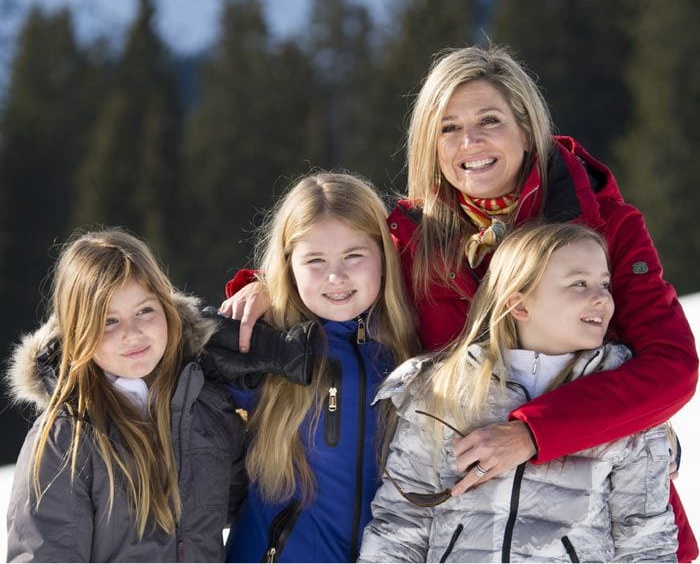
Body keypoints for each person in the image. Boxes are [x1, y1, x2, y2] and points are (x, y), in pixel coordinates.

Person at [223, 45, 698, 560]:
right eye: (448, 127)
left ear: (525, 126)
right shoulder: (412, 238)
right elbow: (340, 263)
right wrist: (269, 284)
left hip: (596, 525)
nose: (469, 142)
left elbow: (672, 367)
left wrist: (536, 432)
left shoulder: (605, 227)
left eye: (488, 120)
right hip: (465, 531)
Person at [359, 222, 678, 562]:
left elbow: (644, 536)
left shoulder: (624, 402)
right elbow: (402, 520)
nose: (601, 297)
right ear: (520, 306)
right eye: (579, 284)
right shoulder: (445, 391)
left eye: (604, 284)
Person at [6, 229, 256, 562]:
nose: (132, 333)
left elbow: (263, 499)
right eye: (109, 321)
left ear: (167, 308)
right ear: (80, 332)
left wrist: (263, 292)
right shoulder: (65, 438)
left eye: (144, 311)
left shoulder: (206, 406)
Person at [223, 172, 420, 563]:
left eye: (354, 255)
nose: (337, 276)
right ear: (288, 266)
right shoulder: (265, 348)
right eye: (315, 260)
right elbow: (164, 359)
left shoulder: (409, 348)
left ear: (385, 255)